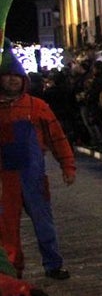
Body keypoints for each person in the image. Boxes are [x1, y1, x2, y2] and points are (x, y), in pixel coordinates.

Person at [0, 45, 75, 280]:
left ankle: (53, 264)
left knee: (44, 223)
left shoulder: (37, 106)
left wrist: (67, 165)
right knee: (7, 228)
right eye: (8, 75)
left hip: (33, 177)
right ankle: (13, 270)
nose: (12, 80)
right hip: (5, 181)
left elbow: (57, 137)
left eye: (16, 76)